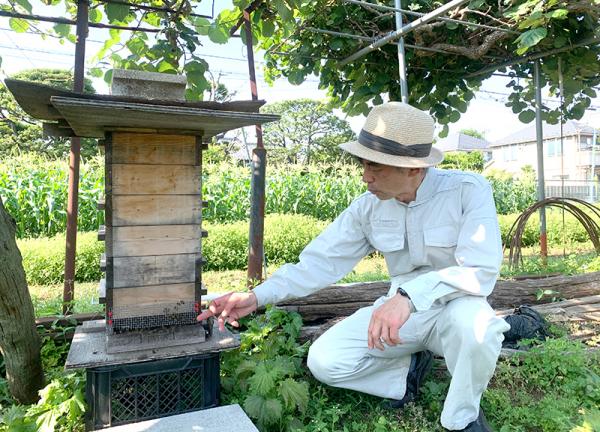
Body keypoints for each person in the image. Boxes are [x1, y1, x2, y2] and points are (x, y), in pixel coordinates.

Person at [197, 102, 510, 432]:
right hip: (398, 317)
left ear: (414, 169)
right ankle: (405, 376)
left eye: (376, 167)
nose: (365, 177)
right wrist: (257, 297)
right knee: (325, 361)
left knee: (479, 329)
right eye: (363, 163)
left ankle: (462, 419)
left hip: (454, 308)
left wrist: (408, 297)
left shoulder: (467, 191)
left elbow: (481, 270)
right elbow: (319, 262)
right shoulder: (368, 207)